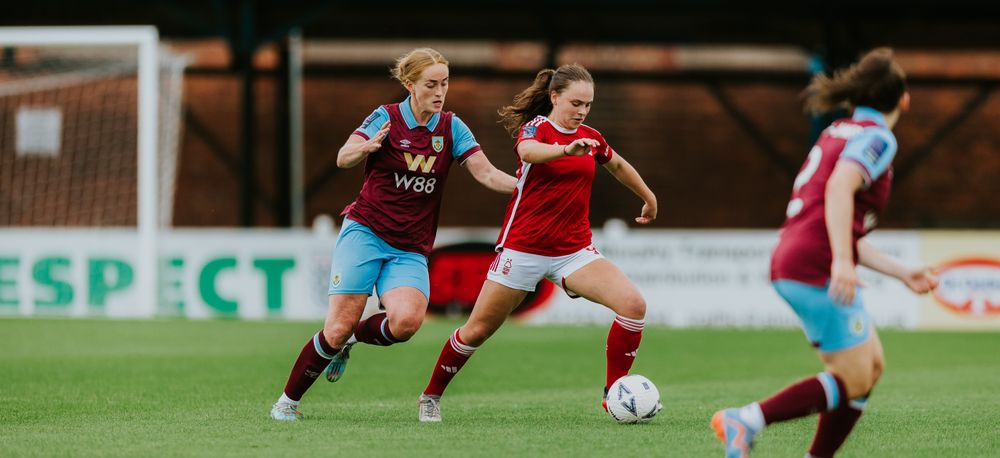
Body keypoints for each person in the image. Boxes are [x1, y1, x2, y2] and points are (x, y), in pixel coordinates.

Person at [711, 48, 939, 457]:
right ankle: (745, 420)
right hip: (811, 264)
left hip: (797, 255)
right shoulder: (878, 138)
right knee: (852, 376)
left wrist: (901, 271)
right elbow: (838, 189)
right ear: (903, 98)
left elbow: (841, 220)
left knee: (869, 368)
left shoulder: (838, 130)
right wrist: (840, 262)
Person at [270, 48, 517, 421]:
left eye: (444, 83)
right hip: (365, 233)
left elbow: (485, 173)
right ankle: (287, 403)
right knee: (335, 327)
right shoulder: (385, 117)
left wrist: (524, 187)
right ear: (410, 85)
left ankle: (351, 340)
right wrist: (364, 147)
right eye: (431, 84)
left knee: (405, 324)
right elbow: (343, 156)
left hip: (409, 248)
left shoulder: (451, 126)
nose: (439, 92)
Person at [415, 63, 658, 422]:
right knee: (477, 330)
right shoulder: (538, 129)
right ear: (555, 97)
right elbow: (528, 152)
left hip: (573, 252)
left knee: (633, 306)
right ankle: (430, 396)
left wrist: (648, 197)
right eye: (576, 103)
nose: (582, 111)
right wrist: (565, 151)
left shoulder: (591, 137)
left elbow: (617, 165)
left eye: (588, 105)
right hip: (522, 249)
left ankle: (614, 395)